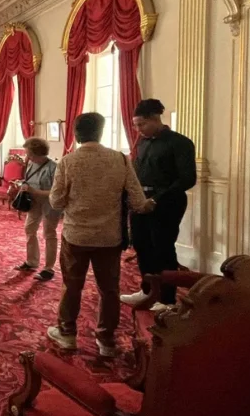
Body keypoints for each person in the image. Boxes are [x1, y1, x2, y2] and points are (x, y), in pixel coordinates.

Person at [47, 112, 151, 358]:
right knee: (109, 289)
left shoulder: (68, 162)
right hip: (109, 236)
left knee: (72, 286)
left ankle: (67, 333)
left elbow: (56, 201)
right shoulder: (120, 159)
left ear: (76, 134)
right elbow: (138, 201)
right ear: (101, 132)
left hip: (76, 235)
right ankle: (106, 339)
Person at [121, 98, 197, 310]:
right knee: (141, 246)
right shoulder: (143, 143)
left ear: (155, 119)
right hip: (141, 202)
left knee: (162, 248)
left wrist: (156, 198)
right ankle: (147, 291)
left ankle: (166, 299)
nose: (138, 130)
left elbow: (187, 179)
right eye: (135, 125)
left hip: (167, 203)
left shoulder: (180, 142)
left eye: (141, 124)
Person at [14, 137, 61, 281]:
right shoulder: (31, 164)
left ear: (39, 153)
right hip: (34, 203)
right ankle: (32, 261)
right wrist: (23, 185)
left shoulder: (54, 168)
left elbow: (56, 192)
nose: (27, 157)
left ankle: (48, 269)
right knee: (29, 229)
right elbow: (29, 181)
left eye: (29, 154)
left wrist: (34, 191)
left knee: (49, 233)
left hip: (50, 204)